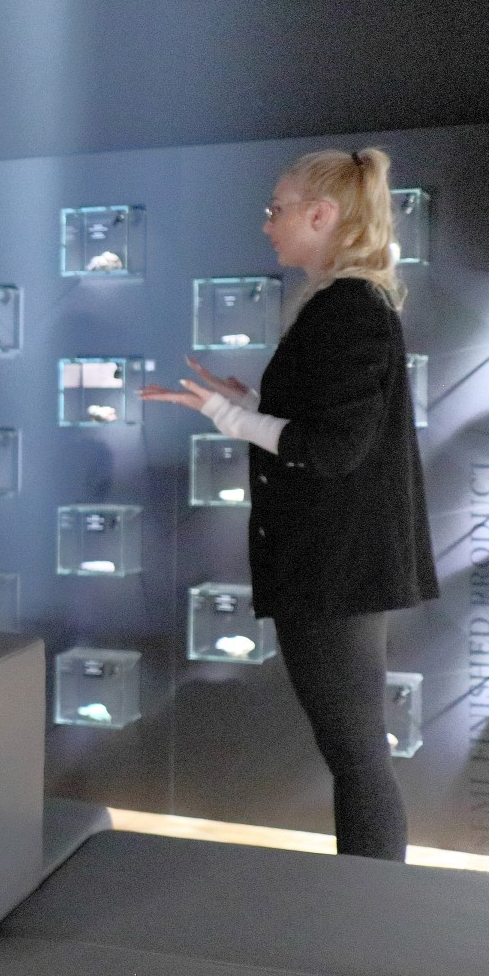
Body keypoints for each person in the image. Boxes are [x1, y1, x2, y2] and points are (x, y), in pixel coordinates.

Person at [141, 147, 437, 862]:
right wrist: (246, 403)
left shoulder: (347, 308)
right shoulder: (347, 304)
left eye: (277, 209)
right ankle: (368, 896)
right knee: (355, 752)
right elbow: (328, 425)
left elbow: (331, 448)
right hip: (340, 568)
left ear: (321, 215)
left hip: (339, 571)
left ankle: (371, 903)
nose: (267, 223)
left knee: (357, 755)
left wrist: (230, 415)